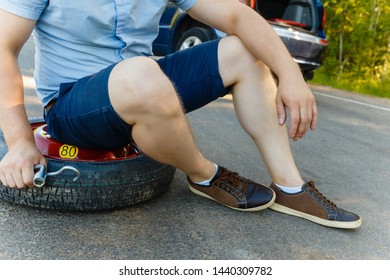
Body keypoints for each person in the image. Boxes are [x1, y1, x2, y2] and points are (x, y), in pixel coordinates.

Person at [0, 0, 361, 228]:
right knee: (141, 72)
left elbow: (236, 14)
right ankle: (205, 175)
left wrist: (291, 75)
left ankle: (290, 187)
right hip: (73, 105)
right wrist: (18, 142)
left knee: (244, 51)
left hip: (144, 84)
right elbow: (4, 48)